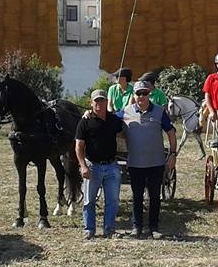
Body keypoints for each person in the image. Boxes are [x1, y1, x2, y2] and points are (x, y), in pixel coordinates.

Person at [117, 80, 177, 239]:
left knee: (155, 197)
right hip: (135, 164)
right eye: (138, 93)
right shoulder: (125, 112)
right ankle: (136, 227)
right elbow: (107, 121)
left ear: (149, 94)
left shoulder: (159, 112)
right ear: (134, 95)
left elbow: (171, 132)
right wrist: (89, 114)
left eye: (145, 93)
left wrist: (173, 154)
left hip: (156, 163)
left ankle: (154, 228)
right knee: (137, 196)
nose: (142, 96)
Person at [75, 89, 124, 240]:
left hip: (112, 166)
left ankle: (109, 229)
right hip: (93, 166)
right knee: (89, 201)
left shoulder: (114, 120)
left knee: (113, 200)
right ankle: (89, 230)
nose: (99, 104)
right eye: (96, 101)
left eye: (102, 100)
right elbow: (79, 146)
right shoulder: (85, 121)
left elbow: (125, 126)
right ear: (91, 103)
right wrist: (83, 166)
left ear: (106, 102)